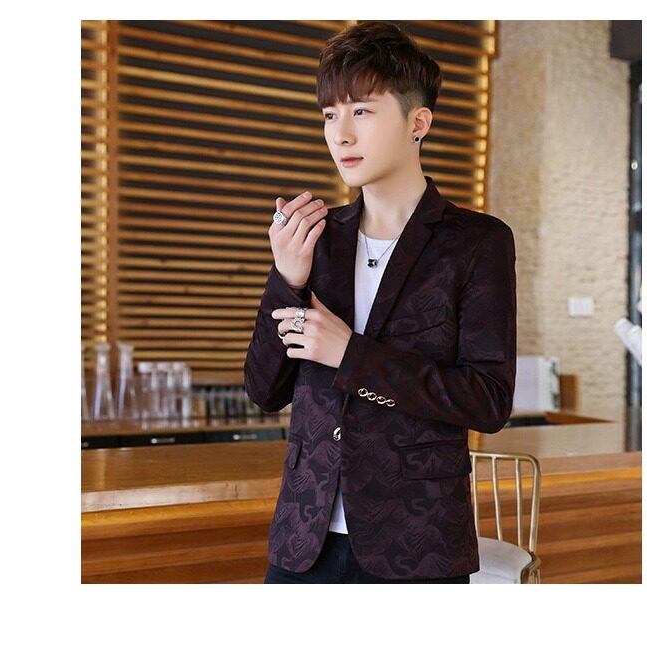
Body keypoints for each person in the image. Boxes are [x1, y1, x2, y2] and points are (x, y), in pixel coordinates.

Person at [244, 21, 517, 583]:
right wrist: (287, 278)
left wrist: (352, 356)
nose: (340, 134)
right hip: (304, 542)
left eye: (362, 111)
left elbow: (487, 401)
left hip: (417, 542)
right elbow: (264, 390)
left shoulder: (477, 243)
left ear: (418, 123)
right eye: (330, 114)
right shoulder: (316, 238)